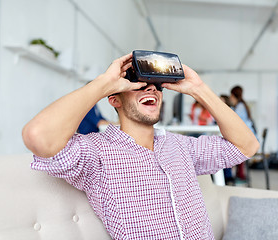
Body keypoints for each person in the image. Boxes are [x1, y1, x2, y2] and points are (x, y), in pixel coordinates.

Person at [22, 53, 259, 239]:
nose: (150, 88)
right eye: (137, 83)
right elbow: (38, 136)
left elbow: (247, 146)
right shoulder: (96, 153)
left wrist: (198, 89)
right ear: (114, 98)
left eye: (157, 85)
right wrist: (105, 83)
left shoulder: (181, 146)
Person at [230, 85, 257, 180]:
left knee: (229, 147)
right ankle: (235, 174)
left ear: (233, 96)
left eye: (231, 97)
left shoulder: (240, 107)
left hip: (247, 139)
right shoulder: (241, 105)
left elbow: (233, 121)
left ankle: (235, 176)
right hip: (248, 137)